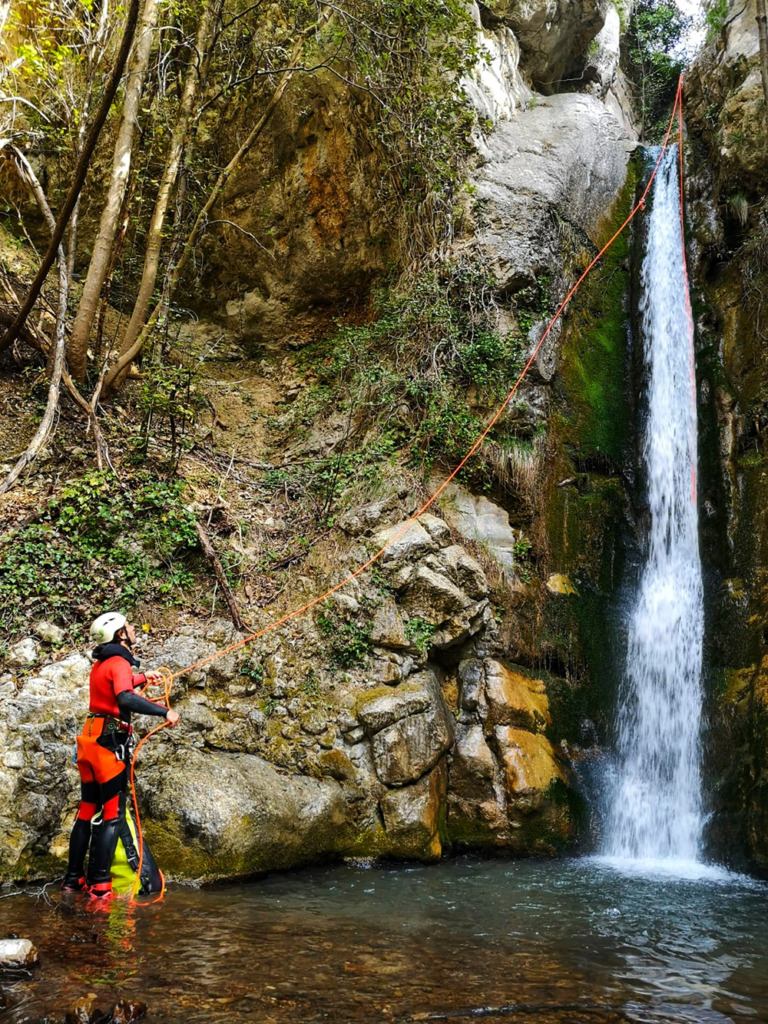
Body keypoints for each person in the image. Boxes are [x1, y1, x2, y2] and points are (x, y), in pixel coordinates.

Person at [62, 612, 180, 897]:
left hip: (90, 740)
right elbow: (124, 696)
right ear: (120, 635)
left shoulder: (102, 664)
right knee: (112, 815)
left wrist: (142, 677)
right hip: (109, 743)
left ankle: (73, 879)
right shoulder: (119, 662)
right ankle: (101, 886)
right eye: (128, 626)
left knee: (87, 811)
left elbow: (114, 685)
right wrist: (165, 711)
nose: (133, 628)